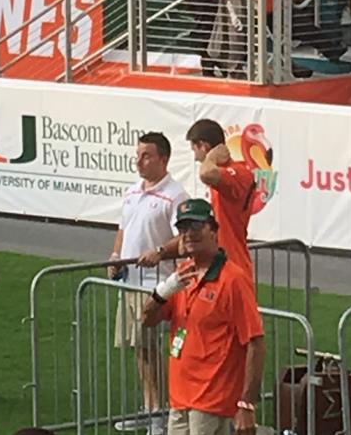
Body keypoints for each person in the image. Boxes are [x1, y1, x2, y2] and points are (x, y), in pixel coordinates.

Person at [142, 198, 265, 435]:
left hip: (212, 401)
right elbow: (147, 320)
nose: (188, 234)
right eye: (183, 228)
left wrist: (247, 404)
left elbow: (256, 342)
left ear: (213, 230)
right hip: (180, 399)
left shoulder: (233, 280)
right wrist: (165, 289)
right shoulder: (183, 273)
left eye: (196, 227)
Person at [108, 132, 189, 435]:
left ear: (163, 159)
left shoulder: (175, 195)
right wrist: (116, 255)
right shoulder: (132, 192)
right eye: (138, 154)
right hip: (130, 281)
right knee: (139, 348)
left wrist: (159, 252)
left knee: (153, 349)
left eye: (146, 156)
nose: (139, 161)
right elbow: (123, 228)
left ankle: (161, 413)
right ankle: (151, 407)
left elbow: (184, 238)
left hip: (156, 285)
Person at [139, 119, 255, 278]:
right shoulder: (222, 177)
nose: (195, 158)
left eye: (195, 150)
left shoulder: (237, 172)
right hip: (216, 263)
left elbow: (205, 174)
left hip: (232, 262)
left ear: (203, 146)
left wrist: (211, 158)